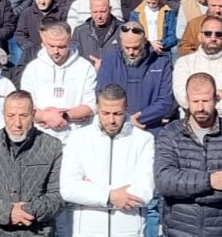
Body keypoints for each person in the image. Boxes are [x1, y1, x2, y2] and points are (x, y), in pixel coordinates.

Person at [153, 71, 222, 237]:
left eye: (206, 101)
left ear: (216, 99)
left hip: (221, 231)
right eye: (195, 101)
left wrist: (185, 193)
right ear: (187, 101)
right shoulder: (169, 133)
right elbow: (164, 182)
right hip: (179, 231)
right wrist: (210, 182)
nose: (200, 107)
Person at [59, 84, 156, 237]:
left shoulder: (144, 140)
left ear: (126, 108)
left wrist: (90, 191)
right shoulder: (78, 138)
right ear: (97, 108)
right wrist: (109, 196)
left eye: (117, 113)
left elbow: (144, 192)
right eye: (105, 113)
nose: (111, 120)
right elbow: (68, 189)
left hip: (130, 232)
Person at [0, 90, 65, 237]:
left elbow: (58, 196)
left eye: (23, 116)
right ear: (3, 114)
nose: (17, 123)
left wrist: (27, 211)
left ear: (33, 114)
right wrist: (7, 212)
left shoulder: (52, 146)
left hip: (36, 232)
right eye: (11, 116)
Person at [18, 21, 97, 142]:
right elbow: (25, 106)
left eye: (61, 47)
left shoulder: (85, 67)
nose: (56, 51)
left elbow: (91, 106)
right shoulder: (33, 68)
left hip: (76, 137)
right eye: (51, 46)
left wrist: (64, 116)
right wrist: (46, 116)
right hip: (41, 138)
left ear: (70, 42)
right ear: (44, 42)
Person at [95, 22, 175, 131]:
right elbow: (102, 93)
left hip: (149, 128)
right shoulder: (110, 59)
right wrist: (125, 119)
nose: (131, 52)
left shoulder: (161, 62)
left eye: (136, 48)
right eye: (126, 47)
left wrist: (140, 118)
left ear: (145, 41)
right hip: (117, 127)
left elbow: (165, 101)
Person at [173, 16, 222, 125]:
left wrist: (197, 100)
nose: (213, 38)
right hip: (191, 128)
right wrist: (220, 93)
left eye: (218, 34)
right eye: (208, 33)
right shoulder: (184, 63)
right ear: (200, 37)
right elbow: (183, 100)